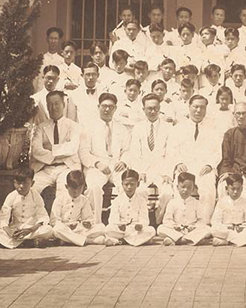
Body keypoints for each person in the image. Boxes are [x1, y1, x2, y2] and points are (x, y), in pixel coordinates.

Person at [169, 95, 222, 221]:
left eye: (202, 107)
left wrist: (210, 165)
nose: (198, 110)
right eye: (195, 107)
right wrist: (178, 163)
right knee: (180, 187)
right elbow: (172, 149)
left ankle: (204, 221)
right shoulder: (178, 129)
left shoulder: (213, 130)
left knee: (208, 189)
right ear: (189, 107)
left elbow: (217, 152)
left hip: (204, 168)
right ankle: (180, 221)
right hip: (185, 167)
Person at [79, 92, 130, 220]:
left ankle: (123, 221)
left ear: (115, 109)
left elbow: (127, 150)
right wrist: (97, 164)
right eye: (104, 106)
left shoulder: (121, 128)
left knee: (126, 186)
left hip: (116, 165)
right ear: (98, 107)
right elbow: (83, 152)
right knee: (94, 188)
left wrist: (123, 162)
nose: (107, 109)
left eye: (111, 107)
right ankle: (95, 223)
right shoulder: (88, 127)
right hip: (96, 166)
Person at [126, 93, 174, 222]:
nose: (152, 111)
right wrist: (138, 172)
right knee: (140, 191)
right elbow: (135, 153)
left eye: (155, 108)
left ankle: (159, 221)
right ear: (143, 110)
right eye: (149, 109)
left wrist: (167, 173)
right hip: (144, 171)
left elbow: (171, 153)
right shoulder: (138, 127)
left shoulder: (168, 128)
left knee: (167, 193)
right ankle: (143, 221)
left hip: (161, 170)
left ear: (159, 108)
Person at [30, 91, 81, 200]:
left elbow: (72, 147)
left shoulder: (73, 126)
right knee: (32, 190)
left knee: (64, 193)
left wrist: (50, 149)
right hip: (45, 168)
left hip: (66, 167)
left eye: (57, 103)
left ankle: (61, 217)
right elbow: (36, 150)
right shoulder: (41, 127)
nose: (53, 107)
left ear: (63, 105)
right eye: (50, 104)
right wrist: (61, 152)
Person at [0, 167, 54, 249]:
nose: (21, 186)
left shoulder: (36, 196)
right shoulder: (11, 196)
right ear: (14, 183)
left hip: (30, 230)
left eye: (25, 183)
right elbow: (3, 218)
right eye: (18, 183)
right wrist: (10, 232)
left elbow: (43, 217)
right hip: (15, 230)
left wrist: (30, 229)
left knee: (48, 230)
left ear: (32, 183)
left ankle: (12, 243)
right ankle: (27, 242)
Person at [49, 170, 107, 246]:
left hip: (78, 229)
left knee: (101, 227)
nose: (76, 192)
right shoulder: (59, 199)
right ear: (66, 186)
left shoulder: (84, 200)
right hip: (64, 228)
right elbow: (53, 221)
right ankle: (88, 241)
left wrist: (87, 223)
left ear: (84, 187)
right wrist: (66, 225)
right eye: (73, 189)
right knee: (56, 229)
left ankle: (68, 240)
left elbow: (88, 218)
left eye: (79, 189)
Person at [103, 169, 157, 246]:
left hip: (136, 229)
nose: (129, 187)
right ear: (122, 184)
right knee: (107, 229)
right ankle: (138, 240)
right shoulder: (117, 200)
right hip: (122, 230)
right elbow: (112, 219)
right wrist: (119, 224)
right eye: (126, 184)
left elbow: (144, 218)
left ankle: (121, 241)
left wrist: (140, 225)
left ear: (137, 184)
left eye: (132, 184)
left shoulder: (141, 200)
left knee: (151, 230)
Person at [157, 172, 213, 246]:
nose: (185, 190)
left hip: (192, 230)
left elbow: (202, 220)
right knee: (160, 228)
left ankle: (178, 240)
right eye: (183, 187)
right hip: (176, 230)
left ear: (193, 189)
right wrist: (175, 226)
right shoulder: (172, 202)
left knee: (207, 229)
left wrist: (194, 227)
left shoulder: (197, 203)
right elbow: (167, 220)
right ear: (177, 187)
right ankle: (190, 240)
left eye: (189, 187)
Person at [211, 173, 246, 247]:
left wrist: (242, 227)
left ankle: (227, 242)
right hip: (226, 230)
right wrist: (226, 227)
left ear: (242, 189)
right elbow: (215, 221)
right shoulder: (222, 202)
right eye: (233, 189)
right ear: (226, 188)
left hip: (241, 230)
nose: (235, 192)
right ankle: (244, 241)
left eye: (238, 189)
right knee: (214, 230)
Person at [69, 62, 106, 131]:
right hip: (82, 133)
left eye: (93, 74)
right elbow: (71, 120)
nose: (91, 77)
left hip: (99, 132)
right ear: (82, 75)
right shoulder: (74, 94)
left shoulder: (104, 92)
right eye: (88, 75)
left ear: (98, 75)